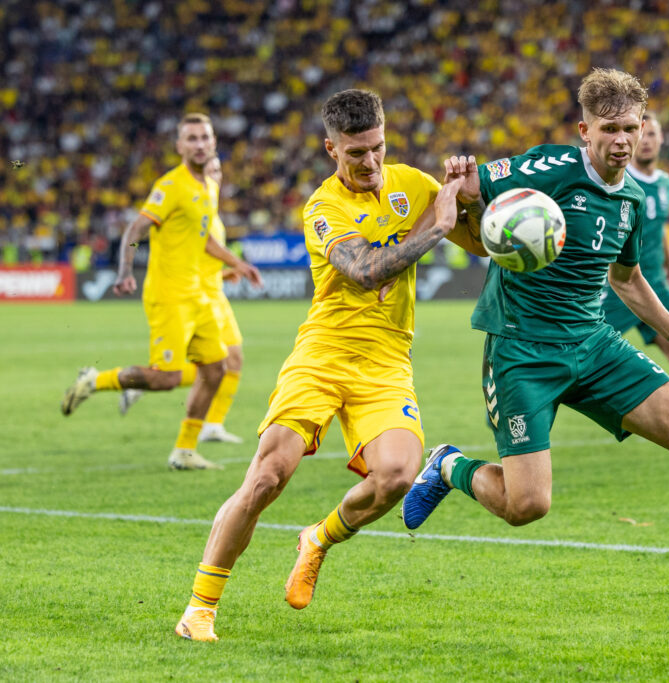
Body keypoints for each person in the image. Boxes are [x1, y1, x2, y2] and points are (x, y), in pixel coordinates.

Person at [403, 69, 669, 610]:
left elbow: (627, 279)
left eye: (632, 127)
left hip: (593, 343)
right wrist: (457, 177)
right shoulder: (548, 167)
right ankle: (448, 465)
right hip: (522, 351)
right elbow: (464, 188)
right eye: (610, 129)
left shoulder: (631, 196)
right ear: (584, 130)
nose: (624, 140)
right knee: (527, 505)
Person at [173, 89, 479, 642]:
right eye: (355, 153)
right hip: (323, 354)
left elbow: (477, 241)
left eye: (377, 149)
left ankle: (317, 539)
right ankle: (200, 607)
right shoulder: (323, 207)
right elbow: (363, 270)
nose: (369, 163)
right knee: (268, 476)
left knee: (397, 477)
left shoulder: (415, 185)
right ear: (330, 150)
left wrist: (474, 196)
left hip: (387, 360)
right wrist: (437, 224)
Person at [60, 113, 262, 470]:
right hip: (169, 295)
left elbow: (205, 240)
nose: (199, 144)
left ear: (213, 143)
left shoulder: (209, 188)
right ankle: (94, 380)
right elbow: (134, 230)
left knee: (217, 368)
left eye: (205, 138)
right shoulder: (170, 186)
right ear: (180, 146)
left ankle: (184, 450)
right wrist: (125, 270)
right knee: (166, 378)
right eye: (192, 139)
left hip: (199, 293)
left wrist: (238, 264)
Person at [120, 157, 247, 444]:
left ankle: (212, 425)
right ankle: (146, 381)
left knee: (232, 359)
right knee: (216, 364)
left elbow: (201, 259)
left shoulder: (210, 212)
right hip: (196, 296)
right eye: (210, 170)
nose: (214, 175)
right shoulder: (193, 210)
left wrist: (225, 275)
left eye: (218, 170)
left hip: (212, 290)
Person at [600, 112, 669, 415]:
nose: (647, 143)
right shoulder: (619, 181)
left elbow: (659, 227)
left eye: (653, 135)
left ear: (661, 139)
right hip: (620, 285)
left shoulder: (665, 183)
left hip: (655, 282)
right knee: (575, 361)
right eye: (643, 137)